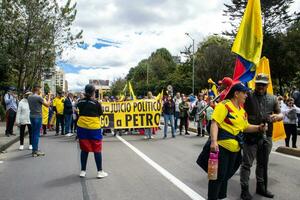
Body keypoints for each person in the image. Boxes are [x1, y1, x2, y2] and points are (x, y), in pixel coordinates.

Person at [208, 82, 267, 200]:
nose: (246, 95)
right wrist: (214, 141)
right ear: (236, 93)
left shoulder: (242, 111)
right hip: (222, 148)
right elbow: (215, 123)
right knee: (217, 176)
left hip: (235, 149)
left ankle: (221, 197)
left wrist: (259, 128)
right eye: (244, 93)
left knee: (226, 176)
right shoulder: (224, 105)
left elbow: (245, 127)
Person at [240, 73, 283, 200]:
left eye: (263, 84)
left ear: (267, 85)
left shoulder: (273, 99)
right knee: (247, 164)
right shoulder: (247, 96)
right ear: (255, 84)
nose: (260, 86)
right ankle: (244, 189)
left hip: (267, 136)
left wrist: (277, 117)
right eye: (258, 84)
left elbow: (280, 114)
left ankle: (261, 187)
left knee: (262, 164)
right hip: (250, 135)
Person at [77, 84, 108, 178]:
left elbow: (78, 109)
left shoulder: (80, 101)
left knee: (84, 149)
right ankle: (100, 171)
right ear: (93, 92)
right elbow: (100, 114)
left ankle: (83, 171)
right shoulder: (96, 103)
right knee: (97, 149)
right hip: (94, 128)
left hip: (82, 127)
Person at [28, 84, 51, 157]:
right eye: (40, 89)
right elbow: (47, 105)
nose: (41, 91)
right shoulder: (38, 97)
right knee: (36, 134)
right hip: (38, 117)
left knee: (33, 133)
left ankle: (34, 150)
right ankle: (35, 151)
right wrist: (49, 96)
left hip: (31, 116)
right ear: (37, 89)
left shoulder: (29, 97)